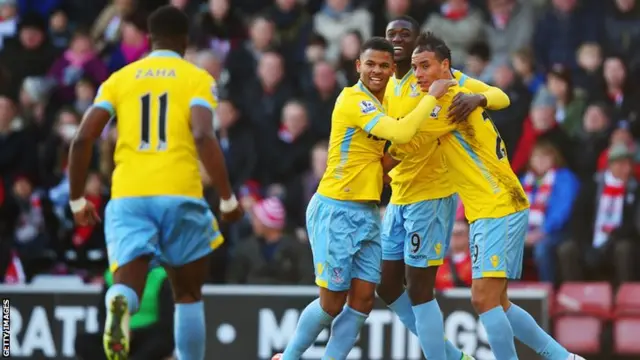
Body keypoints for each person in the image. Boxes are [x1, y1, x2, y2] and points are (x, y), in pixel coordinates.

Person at [389, 31, 584, 360]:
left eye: (425, 66)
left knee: (484, 299)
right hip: (486, 208)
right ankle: (563, 357)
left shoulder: (447, 105)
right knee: (499, 303)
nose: (419, 74)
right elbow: (499, 95)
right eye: (414, 67)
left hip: (499, 204)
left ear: (445, 65)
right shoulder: (463, 88)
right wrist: (480, 97)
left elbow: (401, 141)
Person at [67, 6, 243, 360]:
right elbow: (203, 135)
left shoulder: (120, 78)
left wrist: (76, 200)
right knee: (188, 295)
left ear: (149, 40)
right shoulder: (196, 79)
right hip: (179, 193)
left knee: (128, 283)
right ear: (185, 42)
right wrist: (226, 197)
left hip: (129, 194)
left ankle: (121, 301)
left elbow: (83, 138)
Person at [272, 36, 454, 360]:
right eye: (370, 63)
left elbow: (381, 161)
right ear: (358, 66)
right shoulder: (353, 99)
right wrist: (432, 99)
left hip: (368, 212)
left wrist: (411, 149)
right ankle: (288, 357)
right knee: (331, 302)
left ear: (392, 69)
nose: (377, 70)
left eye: (384, 65)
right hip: (336, 209)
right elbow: (400, 133)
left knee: (363, 301)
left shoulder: (383, 106)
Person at [379, 15, 511, 360]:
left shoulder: (436, 85)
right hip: (399, 195)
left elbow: (497, 95)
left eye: (404, 34)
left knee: (421, 290)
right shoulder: (390, 85)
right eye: (391, 34)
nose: (397, 39)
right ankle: (455, 357)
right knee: (387, 285)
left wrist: (478, 99)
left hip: (431, 195)